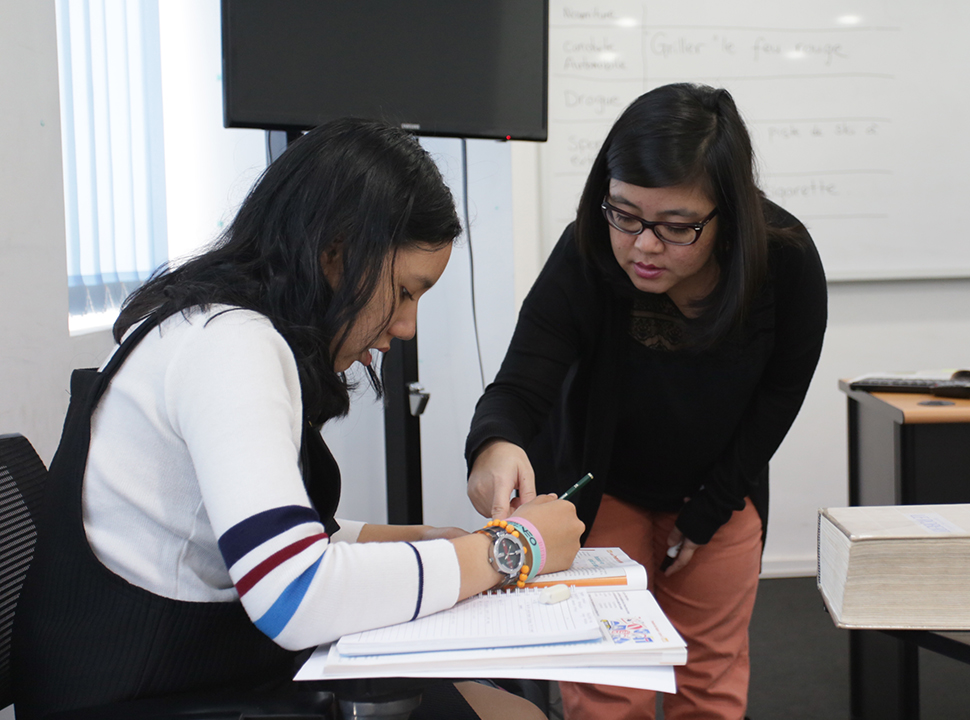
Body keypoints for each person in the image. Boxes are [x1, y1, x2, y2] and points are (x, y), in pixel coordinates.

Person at [14, 118, 583, 719]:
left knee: (495, 706)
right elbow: (293, 592)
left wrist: (431, 541)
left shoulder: (212, 328)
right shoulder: (226, 345)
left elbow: (273, 542)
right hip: (146, 697)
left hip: (181, 673)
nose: (408, 326)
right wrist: (513, 548)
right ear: (333, 253)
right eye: (406, 291)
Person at [465, 84, 828, 720]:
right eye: (625, 213)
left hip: (721, 483)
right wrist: (495, 446)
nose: (643, 245)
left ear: (729, 213)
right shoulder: (586, 253)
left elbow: (780, 394)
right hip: (602, 489)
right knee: (608, 683)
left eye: (677, 226)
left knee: (709, 675)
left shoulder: (785, 263)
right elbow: (522, 382)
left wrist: (712, 508)